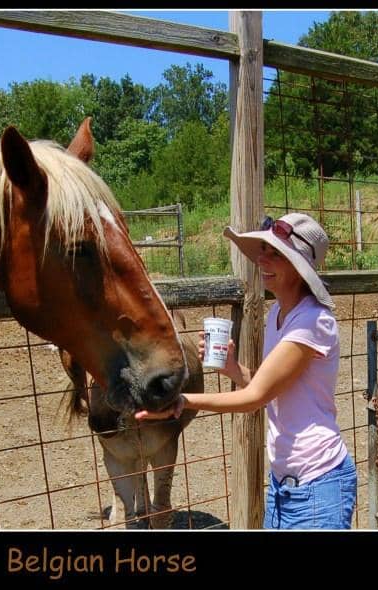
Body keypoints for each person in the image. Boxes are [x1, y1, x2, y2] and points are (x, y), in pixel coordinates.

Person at [136, 212, 357, 530]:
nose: (263, 260)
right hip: (284, 485)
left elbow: (255, 397)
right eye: (262, 251)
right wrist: (232, 368)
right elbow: (267, 386)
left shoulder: (313, 321)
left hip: (317, 486)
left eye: (276, 254)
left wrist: (183, 400)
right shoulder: (278, 313)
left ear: (299, 266)